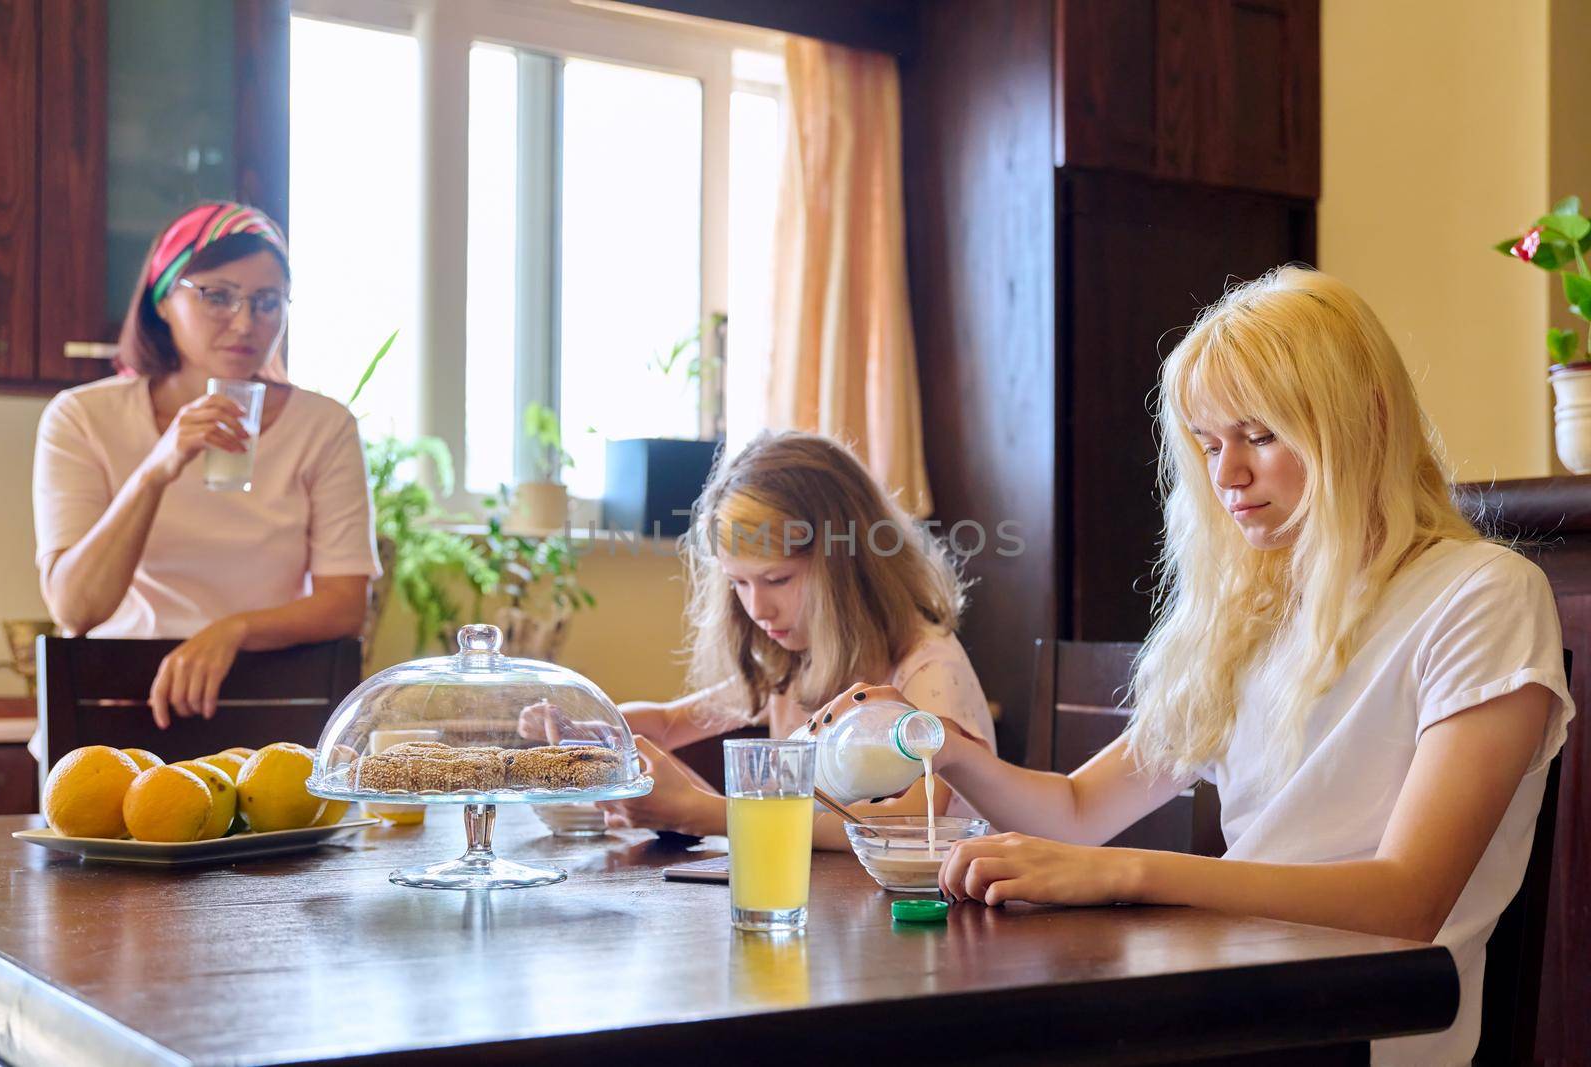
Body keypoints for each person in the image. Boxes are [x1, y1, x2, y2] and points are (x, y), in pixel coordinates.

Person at [818, 267, 1574, 1065]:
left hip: (1354, 1032)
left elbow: (1407, 898)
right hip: (1225, 1003)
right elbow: (1077, 810)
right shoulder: (1251, 617)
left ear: (1363, 421)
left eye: (1260, 434)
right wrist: (944, 744)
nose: (1227, 475)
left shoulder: (1483, 594)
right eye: (1209, 444)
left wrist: (1124, 874)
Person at [530, 431, 996, 849]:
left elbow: (906, 821)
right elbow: (670, 725)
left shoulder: (928, 666)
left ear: (850, 569)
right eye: (739, 583)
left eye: (777, 579)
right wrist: (584, 727)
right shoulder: (792, 660)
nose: (758, 609)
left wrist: (709, 814)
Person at [32, 202, 379, 736]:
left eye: (267, 302)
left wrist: (232, 630)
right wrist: (159, 466)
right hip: (113, 709)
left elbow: (344, 605)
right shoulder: (82, 416)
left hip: (272, 710)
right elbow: (77, 609)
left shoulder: (323, 425)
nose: (245, 322)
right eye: (217, 295)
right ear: (163, 299)